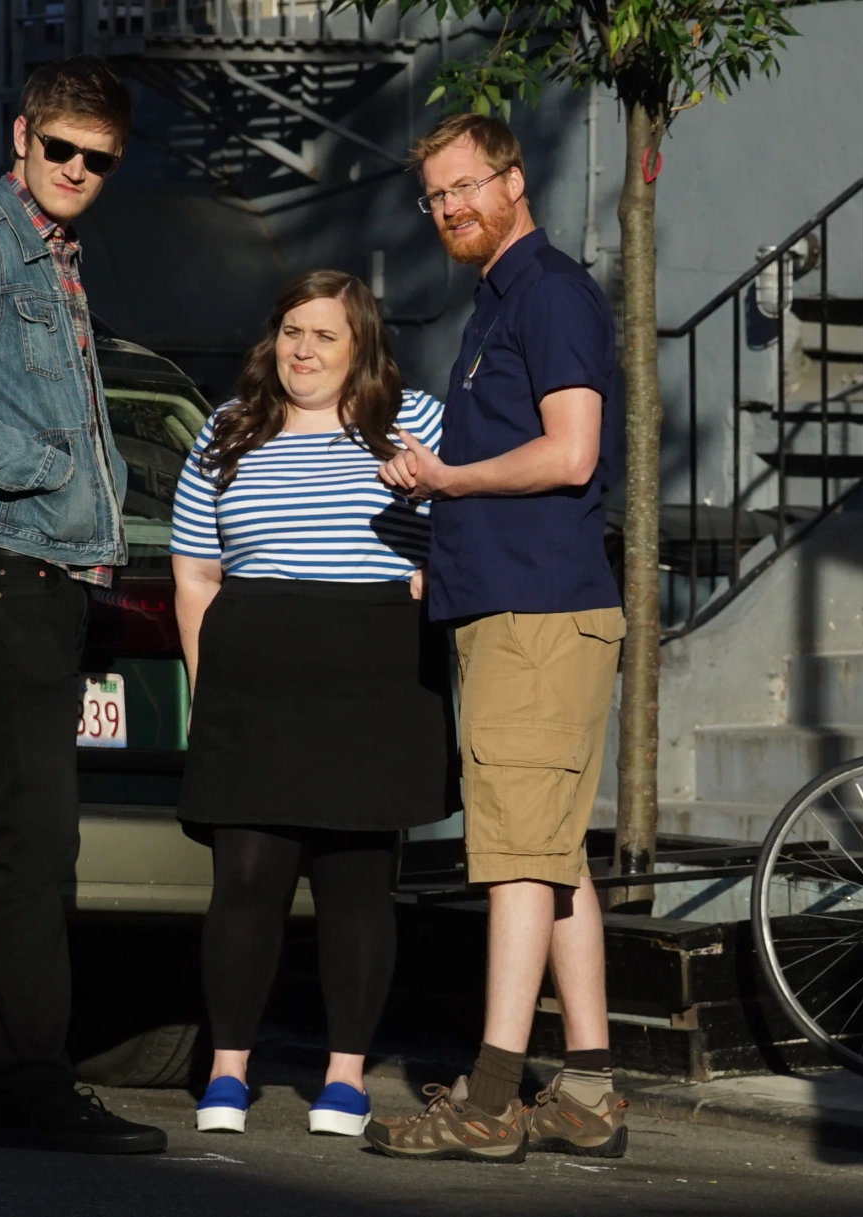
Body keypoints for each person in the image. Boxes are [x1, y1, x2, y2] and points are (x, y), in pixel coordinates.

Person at [0, 57, 167, 1153]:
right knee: (39, 841)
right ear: (22, 136)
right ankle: (32, 1084)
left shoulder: (53, 255)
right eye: (62, 149)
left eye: (99, 160)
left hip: (29, 568)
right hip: (11, 564)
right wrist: (45, 466)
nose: (78, 172)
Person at [367, 113, 627, 1164]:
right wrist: (449, 531)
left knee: (517, 856)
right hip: (513, 607)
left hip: (539, 618)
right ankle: (592, 1088)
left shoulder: (551, 292)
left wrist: (445, 480)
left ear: (515, 182)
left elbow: (571, 455)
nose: (448, 210)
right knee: (551, 852)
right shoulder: (499, 302)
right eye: (434, 197)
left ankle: (489, 1094)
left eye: (464, 187)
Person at [169, 270, 453, 1138]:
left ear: (361, 344)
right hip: (251, 677)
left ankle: (345, 1077)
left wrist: (428, 582)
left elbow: (469, 526)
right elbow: (194, 571)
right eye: (293, 330)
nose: (304, 349)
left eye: (325, 335)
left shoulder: (419, 422)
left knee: (358, 883)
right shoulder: (227, 429)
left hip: (375, 674)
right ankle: (228, 1072)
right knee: (245, 879)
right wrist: (204, 682)